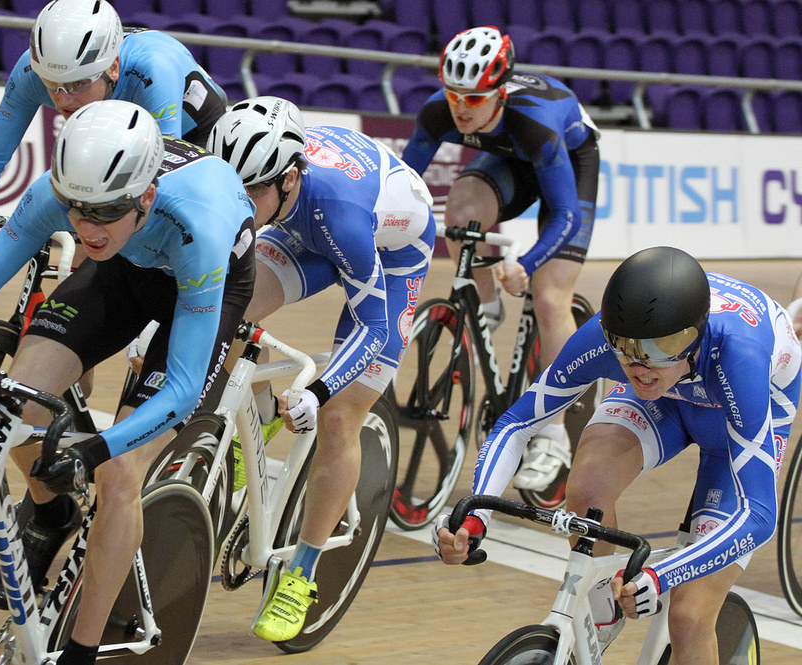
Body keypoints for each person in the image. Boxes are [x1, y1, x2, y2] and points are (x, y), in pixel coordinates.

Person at [0, 100, 255, 665]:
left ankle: (81, 647)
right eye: (77, 211)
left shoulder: (201, 225)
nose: (86, 228)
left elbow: (183, 391)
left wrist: (96, 448)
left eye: (104, 212)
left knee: (120, 472)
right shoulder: (69, 195)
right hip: (124, 266)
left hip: (200, 282)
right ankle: (52, 513)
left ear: (145, 197)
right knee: (16, 403)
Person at [434, 246, 801, 664]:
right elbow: (517, 424)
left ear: (695, 336)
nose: (641, 365)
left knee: (689, 615)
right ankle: (600, 617)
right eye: (625, 348)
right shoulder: (615, 343)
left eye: (661, 348)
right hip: (668, 397)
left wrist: (663, 575)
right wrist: (475, 516)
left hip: (735, 417)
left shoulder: (740, 356)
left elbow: (758, 516)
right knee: (589, 484)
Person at [206, 96, 436, 642]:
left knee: (338, 418)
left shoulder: (339, 209)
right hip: (302, 225)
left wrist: (323, 387)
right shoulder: (266, 183)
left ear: (287, 178)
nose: (241, 202)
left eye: (253, 191)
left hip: (389, 248)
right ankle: (252, 419)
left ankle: (303, 573)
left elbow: (375, 327)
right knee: (225, 306)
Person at [402, 26, 600, 493]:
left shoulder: (537, 124)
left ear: (500, 93)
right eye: (455, 96)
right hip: (508, 160)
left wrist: (526, 265)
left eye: (474, 99)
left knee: (550, 299)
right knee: (463, 207)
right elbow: (401, 183)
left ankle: (553, 434)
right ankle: (485, 306)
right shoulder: (438, 111)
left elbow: (566, 216)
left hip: (567, 165)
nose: (460, 108)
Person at [0, 0, 228, 285]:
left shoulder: (153, 68)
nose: (63, 97)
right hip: (118, 128)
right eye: (52, 85)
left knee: (141, 260)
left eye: (78, 83)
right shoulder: (30, 70)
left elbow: (164, 181)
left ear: (111, 68)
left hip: (195, 134)